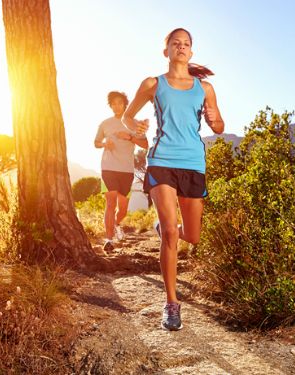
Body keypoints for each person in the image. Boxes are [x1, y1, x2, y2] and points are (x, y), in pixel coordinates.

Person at [123, 28, 225, 331]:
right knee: (170, 233)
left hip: (193, 163)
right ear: (165, 50)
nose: (181, 47)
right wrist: (136, 126)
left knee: (191, 236)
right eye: (175, 43)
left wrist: (213, 120)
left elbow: (218, 125)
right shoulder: (153, 84)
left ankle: (163, 227)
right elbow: (128, 117)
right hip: (161, 161)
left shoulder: (204, 88)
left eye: (186, 44)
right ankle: (171, 303)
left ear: (191, 52)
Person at [95, 91, 148, 253]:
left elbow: (145, 144)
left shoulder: (134, 123)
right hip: (108, 167)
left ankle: (117, 225)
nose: (116, 106)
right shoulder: (105, 123)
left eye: (120, 103)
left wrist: (129, 137)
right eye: (113, 104)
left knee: (123, 209)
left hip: (126, 170)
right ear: (110, 106)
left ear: (126, 104)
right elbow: (96, 142)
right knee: (110, 204)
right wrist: (105, 144)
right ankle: (109, 240)